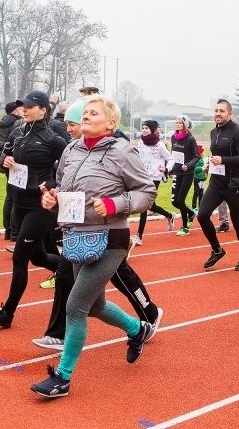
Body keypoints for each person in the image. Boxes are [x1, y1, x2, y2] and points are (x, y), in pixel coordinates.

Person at [30, 96, 157, 398]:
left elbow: (147, 191)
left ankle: (62, 378)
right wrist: (52, 200)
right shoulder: (71, 149)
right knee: (95, 306)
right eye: (85, 112)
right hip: (77, 236)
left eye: (93, 113)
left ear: (110, 123)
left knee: (75, 306)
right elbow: (64, 190)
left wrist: (115, 204)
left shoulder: (122, 151)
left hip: (111, 238)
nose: (85, 116)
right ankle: (138, 329)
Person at [0, 91, 67, 328]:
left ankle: (7, 313)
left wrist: (51, 182)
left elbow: (70, 169)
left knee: (20, 258)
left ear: (43, 110)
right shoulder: (17, 133)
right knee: (39, 258)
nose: (24, 109)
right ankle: (72, 270)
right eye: (23, 106)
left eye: (30, 106)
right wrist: (2, 161)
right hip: (17, 204)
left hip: (39, 207)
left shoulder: (53, 139)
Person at [197, 99, 239, 269]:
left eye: (222, 111)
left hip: (233, 185)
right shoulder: (214, 132)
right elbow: (216, 155)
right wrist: (209, 165)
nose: (218, 114)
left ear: (229, 113)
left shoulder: (238, 132)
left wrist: (223, 160)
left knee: (237, 223)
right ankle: (217, 250)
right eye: (216, 111)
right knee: (202, 215)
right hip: (216, 183)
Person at [132, 119, 176, 245]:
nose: (144, 130)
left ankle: (139, 236)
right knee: (151, 206)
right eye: (143, 128)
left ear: (152, 130)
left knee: (144, 205)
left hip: (154, 177)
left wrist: (166, 169)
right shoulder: (141, 143)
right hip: (142, 176)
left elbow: (171, 159)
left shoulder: (159, 145)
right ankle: (169, 215)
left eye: (146, 128)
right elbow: (140, 158)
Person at [0, 100, 25, 241]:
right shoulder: (19, 124)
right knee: (17, 198)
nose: (24, 110)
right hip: (17, 162)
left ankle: (8, 230)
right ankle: (15, 231)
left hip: (6, 161)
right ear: (15, 111)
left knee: (9, 197)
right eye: (21, 108)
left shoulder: (0, 125)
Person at [170, 115, 201, 235]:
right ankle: (191, 213)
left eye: (180, 123)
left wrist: (188, 165)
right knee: (174, 202)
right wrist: (170, 169)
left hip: (187, 173)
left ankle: (185, 227)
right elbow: (173, 155)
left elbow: (197, 156)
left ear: (185, 125)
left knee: (180, 200)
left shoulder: (190, 139)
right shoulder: (173, 138)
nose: (178, 124)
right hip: (177, 172)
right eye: (177, 122)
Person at [191, 145, 206, 214]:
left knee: (201, 194)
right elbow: (195, 169)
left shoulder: (201, 159)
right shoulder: (196, 159)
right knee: (196, 193)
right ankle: (194, 208)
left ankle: (201, 207)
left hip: (202, 179)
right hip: (197, 179)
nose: (204, 153)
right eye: (203, 151)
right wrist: (202, 168)